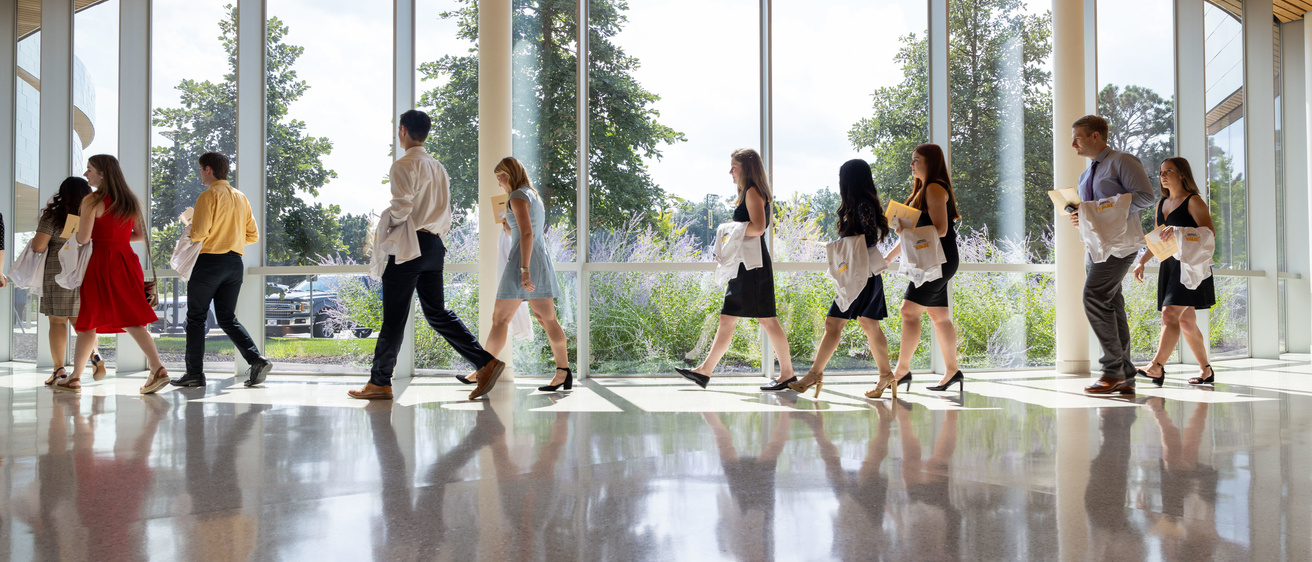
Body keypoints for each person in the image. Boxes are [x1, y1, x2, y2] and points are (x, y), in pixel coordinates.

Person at [349, 110, 504, 401]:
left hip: (410, 246)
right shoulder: (438, 168)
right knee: (437, 313)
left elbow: (401, 207)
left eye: (399, 129)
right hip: (434, 246)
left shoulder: (403, 165)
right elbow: (444, 212)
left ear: (404, 130)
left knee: (394, 318)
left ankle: (379, 382)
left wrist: (389, 223)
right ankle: (486, 363)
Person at [676, 148, 795, 389]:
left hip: (753, 267)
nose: (730, 171)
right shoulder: (751, 192)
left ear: (746, 168)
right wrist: (733, 229)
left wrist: (728, 229)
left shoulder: (752, 191)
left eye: (734, 166)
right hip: (746, 266)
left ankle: (788, 375)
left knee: (767, 320)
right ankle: (704, 371)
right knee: (729, 318)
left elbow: (758, 228)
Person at [54, 155, 171, 394]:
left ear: (103, 173)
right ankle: (155, 368)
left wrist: (71, 240)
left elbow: (84, 238)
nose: (86, 175)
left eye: (89, 170)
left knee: (89, 319)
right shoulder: (130, 200)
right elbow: (139, 236)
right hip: (126, 261)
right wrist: (115, 236)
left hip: (101, 263)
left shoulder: (91, 200)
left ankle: (76, 377)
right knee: (130, 317)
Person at [783, 159, 896, 397]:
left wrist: (840, 244)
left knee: (835, 323)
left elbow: (869, 239)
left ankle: (815, 375)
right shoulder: (862, 204)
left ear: (848, 180)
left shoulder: (862, 205)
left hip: (860, 276)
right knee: (868, 324)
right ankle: (886, 375)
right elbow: (867, 240)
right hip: (865, 275)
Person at [1069, 115, 1156, 395]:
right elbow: (1094, 212)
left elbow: (1145, 197)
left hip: (1120, 245)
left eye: (1078, 138)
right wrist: (1081, 215)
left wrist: (1101, 210)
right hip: (1095, 247)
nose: (1073, 144)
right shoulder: (1086, 175)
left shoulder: (1122, 161)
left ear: (1096, 136)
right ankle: (1126, 376)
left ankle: (1112, 371)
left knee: (1093, 297)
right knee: (1112, 305)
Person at [468, 157, 571, 391]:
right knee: (547, 319)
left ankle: (483, 370)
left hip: (523, 263)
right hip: (538, 260)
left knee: (500, 319)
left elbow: (527, 234)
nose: (499, 183)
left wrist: (524, 270)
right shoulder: (532, 195)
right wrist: (508, 226)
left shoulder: (516, 196)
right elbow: (526, 230)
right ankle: (563, 372)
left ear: (510, 173)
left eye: (500, 177)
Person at [173, 152, 272, 388]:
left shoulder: (208, 196)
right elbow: (253, 235)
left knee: (196, 318)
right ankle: (255, 359)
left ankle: (195, 374)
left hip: (209, 263)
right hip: (234, 264)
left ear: (208, 169)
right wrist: (230, 238)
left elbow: (199, 233)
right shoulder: (241, 197)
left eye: (200, 169)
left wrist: (190, 225)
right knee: (227, 317)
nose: (199, 174)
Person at [1131, 157, 1216, 386]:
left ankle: (1156, 366)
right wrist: (1142, 261)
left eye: (1169, 170)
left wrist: (1179, 230)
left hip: (1190, 267)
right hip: (1169, 267)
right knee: (1187, 321)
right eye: (1161, 172)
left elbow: (1209, 234)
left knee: (1169, 314)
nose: (1163, 175)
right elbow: (1159, 239)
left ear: (1182, 174)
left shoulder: (1193, 201)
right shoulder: (1161, 204)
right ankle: (1206, 370)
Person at [888, 144, 964, 393]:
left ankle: (901, 371)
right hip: (938, 260)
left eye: (916, 160)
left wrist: (906, 229)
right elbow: (910, 235)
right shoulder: (925, 189)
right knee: (939, 317)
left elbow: (940, 229)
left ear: (929, 162)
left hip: (937, 261)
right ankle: (952, 371)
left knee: (908, 311)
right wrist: (887, 258)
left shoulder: (933, 187)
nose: (912, 164)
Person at [31, 177, 106, 385]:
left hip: (58, 271)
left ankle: (59, 370)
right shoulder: (92, 214)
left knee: (57, 321)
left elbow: (38, 246)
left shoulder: (53, 216)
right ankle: (95, 355)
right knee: (82, 322)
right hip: (85, 271)